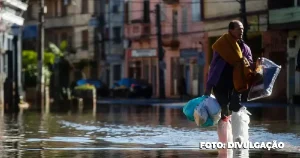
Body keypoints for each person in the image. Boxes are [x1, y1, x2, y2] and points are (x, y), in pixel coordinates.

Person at [204, 20, 260, 143]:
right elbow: (214, 67)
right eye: (238, 29)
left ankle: (238, 137)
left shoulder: (245, 48)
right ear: (231, 30)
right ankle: (224, 140)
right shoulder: (221, 45)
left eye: (242, 29)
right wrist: (208, 87)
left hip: (237, 84)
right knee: (224, 110)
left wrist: (256, 65)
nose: (241, 31)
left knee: (236, 107)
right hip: (220, 83)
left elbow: (249, 64)